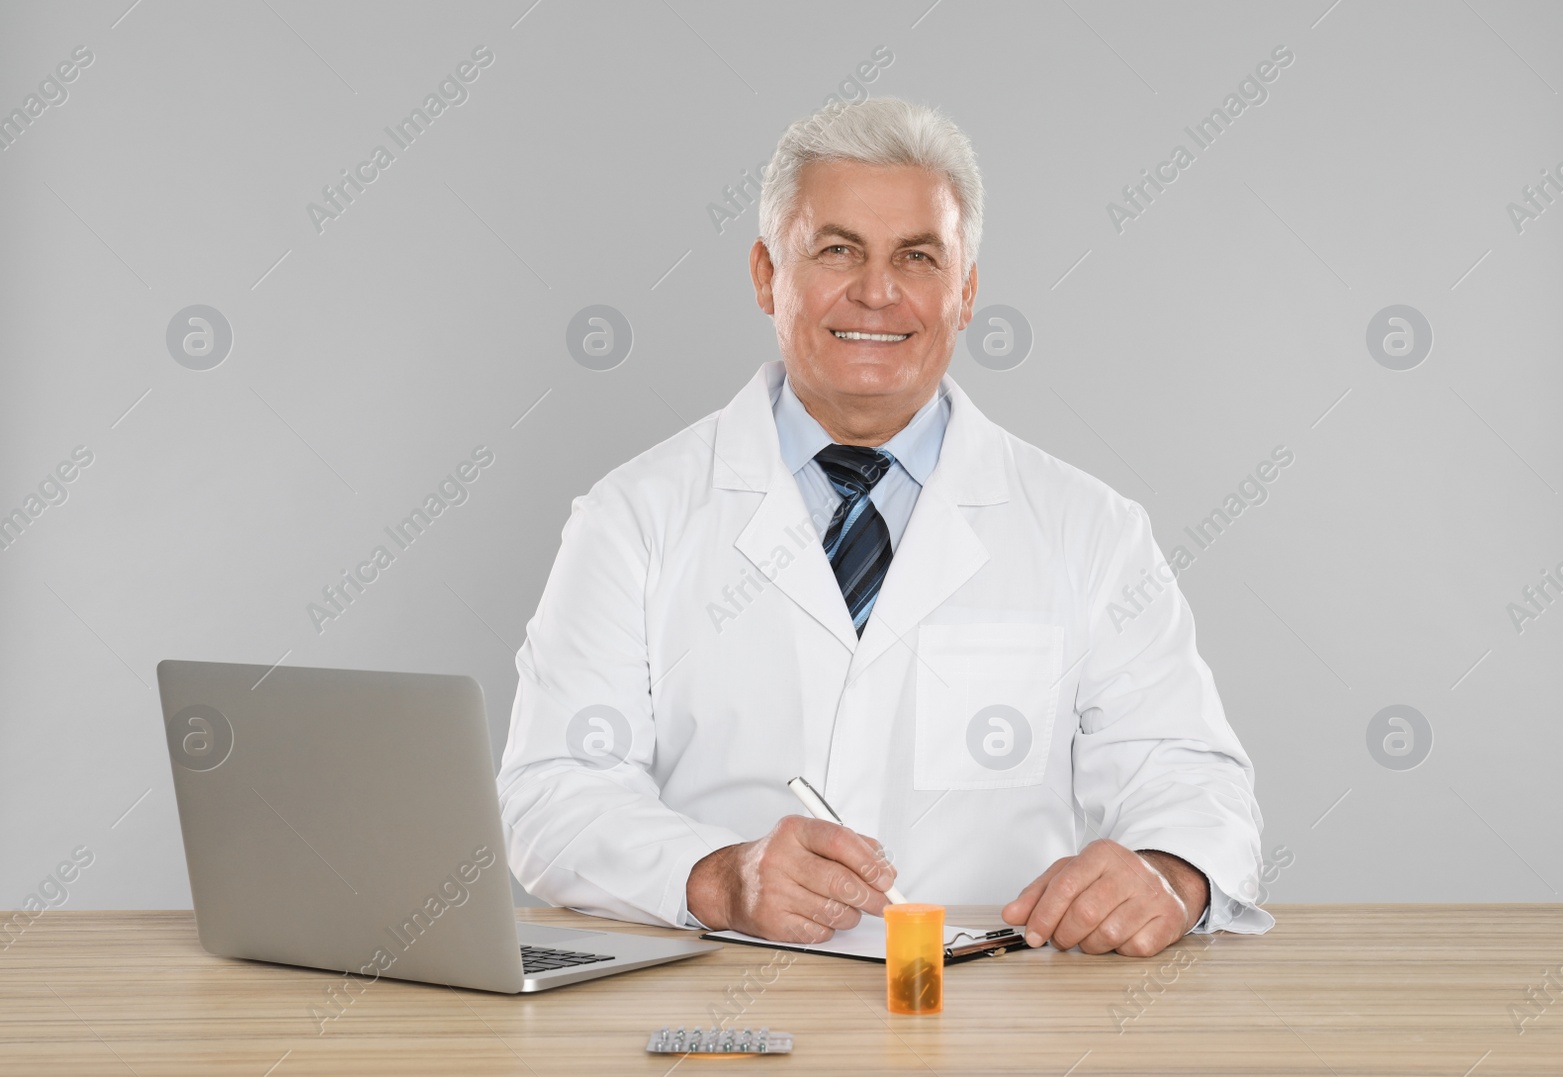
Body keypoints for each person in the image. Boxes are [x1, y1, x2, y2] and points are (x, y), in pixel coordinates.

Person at [498, 97, 1272, 958]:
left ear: (966, 289)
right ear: (765, 273)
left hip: (996, 1011)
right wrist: (720, 876)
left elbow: (1191, 773)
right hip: (723, 1006)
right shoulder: (631, 519)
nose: (877, 291)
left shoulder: (1090, 529)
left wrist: (1169, 869)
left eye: (918, 256)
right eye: (837, 250)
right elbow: (551, 792)